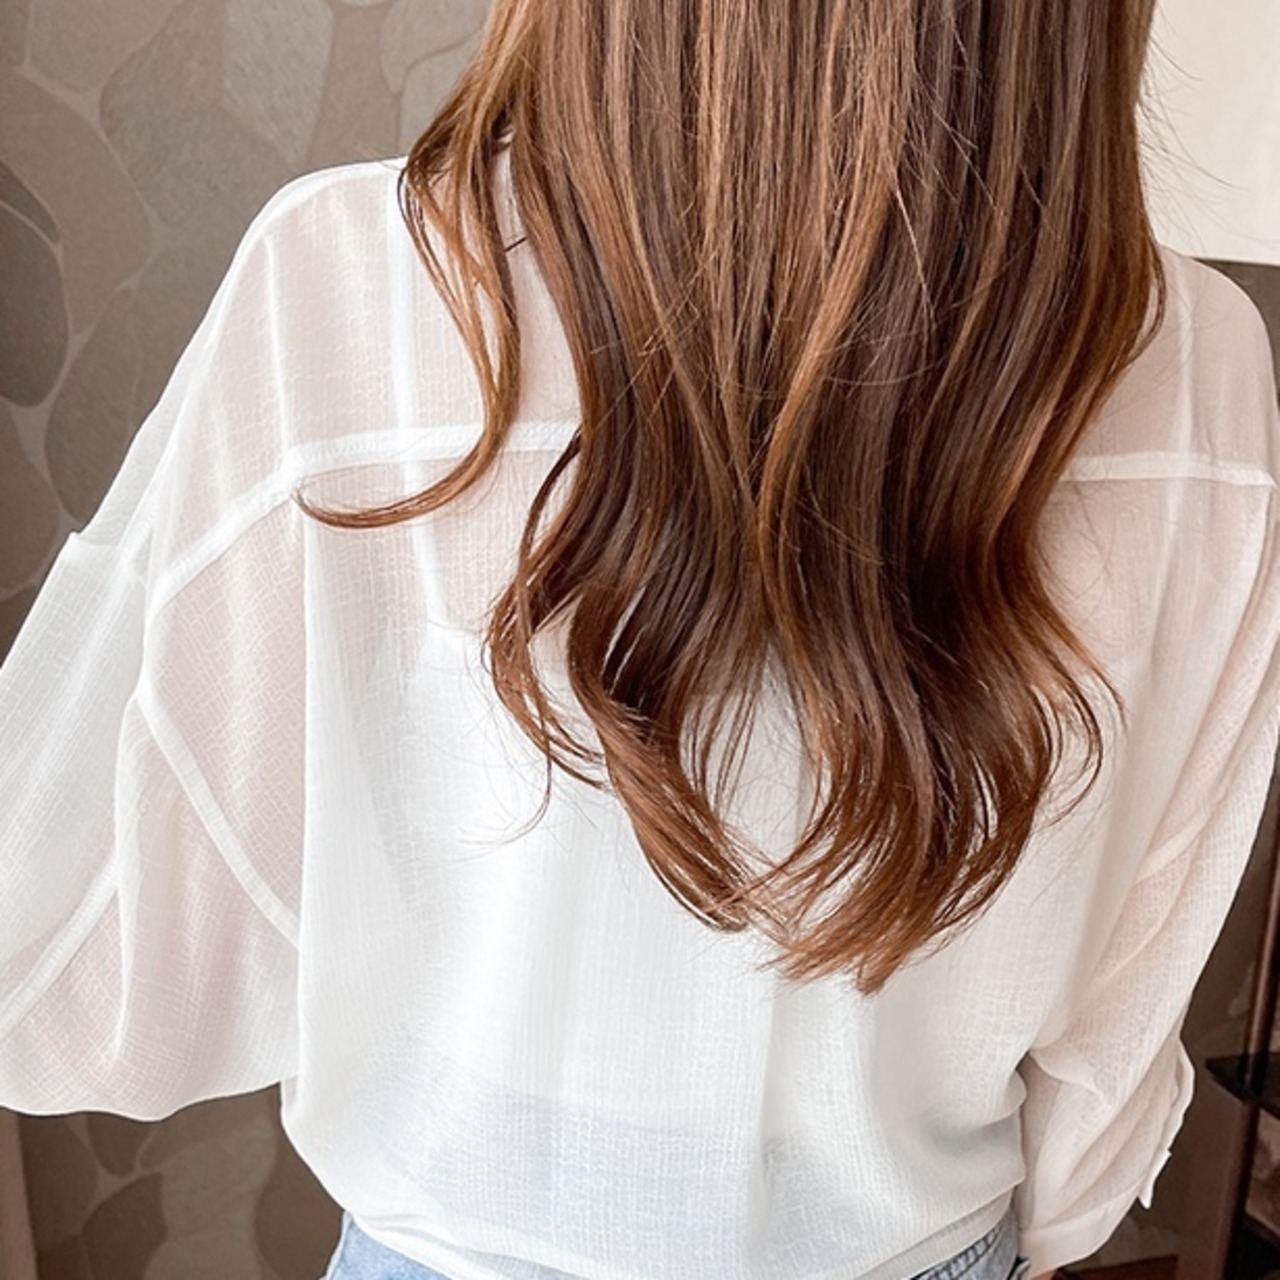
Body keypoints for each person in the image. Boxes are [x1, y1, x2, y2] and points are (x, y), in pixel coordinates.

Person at [1, 0, 1278, 1277]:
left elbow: (91, 950)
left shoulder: (355, 280)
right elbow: (1127, 977)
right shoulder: (1195, 365)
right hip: (924, 1244)